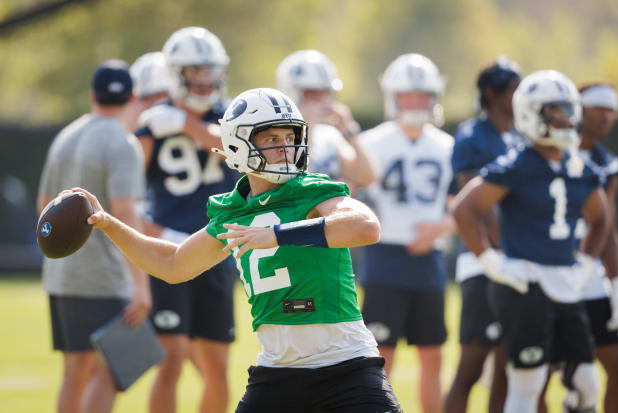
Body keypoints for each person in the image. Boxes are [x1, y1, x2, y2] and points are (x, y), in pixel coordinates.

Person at [68, 87, 402, 413]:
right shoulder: (233, 212)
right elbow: (172, 264)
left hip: (348, 366)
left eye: (290, 137)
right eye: (272, 139)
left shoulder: (311, 191)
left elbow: (365, 225)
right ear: (237, 144)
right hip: (278, 372)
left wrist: (277, 235)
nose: (285, 148)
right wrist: (110, 224)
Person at [452, 70, 610, 413]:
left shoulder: (578, 166)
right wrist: (490, 260)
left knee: (587, 384)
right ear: (532, 113)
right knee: (528, 383)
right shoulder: (518, 164)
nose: (566, 119)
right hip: (525, 282)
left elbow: (602, 220)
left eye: (569, 110)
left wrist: (585, 263)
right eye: (556, 111)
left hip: (566, 283)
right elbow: (465, 208)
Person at [134, 27, 238, 413]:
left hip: (216, 248)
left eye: (209, 69)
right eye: (196, 70)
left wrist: (185, 123)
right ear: (177, 73)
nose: (204, 78)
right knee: (171, 357)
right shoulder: (151, 123)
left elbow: (236, 153)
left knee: (217, 365)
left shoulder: (229, 116)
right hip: (170, 247)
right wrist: (154, 230)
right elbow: (126, 192)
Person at [37, 60, 150, 413]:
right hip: (103, 277)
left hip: (60, 274)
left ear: (92, 94)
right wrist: (142, 284)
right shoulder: (123, 142)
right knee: (113, 370)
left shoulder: (65, 136)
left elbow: (44, 207)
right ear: (133, 97)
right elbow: (125, 212)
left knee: (74, 374)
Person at [358, 53, 456, 413]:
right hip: (385, 257)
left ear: (434, 97)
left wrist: (443, 227)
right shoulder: (371, 142)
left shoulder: (448, 146)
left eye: (421, 95)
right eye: (407, 95)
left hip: (429, 260)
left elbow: (468, 206)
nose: (415, 103)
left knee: (433, 356)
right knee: (381, 357)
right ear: (394, 97)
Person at [445, 56, 523, 413]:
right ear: (492, 93)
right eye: (513, 88)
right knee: (471, 368)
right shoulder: (472, 135)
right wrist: (500, 248)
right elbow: (474, 203)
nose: (519, 95)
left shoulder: (523, 133)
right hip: (483, 262)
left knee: (508, 369)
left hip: (519, 261)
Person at [573, 82, 618, 413]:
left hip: (589, 278)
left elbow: (606, 226)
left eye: (611, 110)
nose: (606, 116)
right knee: (539, 375)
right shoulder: (548, 152)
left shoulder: (608, 164)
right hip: (551, 273)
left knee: (615, 366)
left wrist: (616, 282)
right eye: (598, 107)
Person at [276, 49, 377, 192]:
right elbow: (289, 179)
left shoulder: (329, 136)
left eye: (323, 93)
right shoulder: (273, 135)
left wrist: (349, 133)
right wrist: (304, 131)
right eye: (311, 94)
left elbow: (366, 177)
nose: (321, 102)